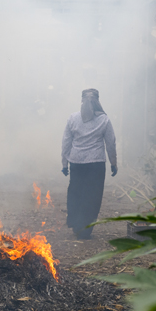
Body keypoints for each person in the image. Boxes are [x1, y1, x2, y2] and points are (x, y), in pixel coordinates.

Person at [61, 88, 117, 239]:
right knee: (92, 196)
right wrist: (113, 162)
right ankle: (85, 230)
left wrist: (64, 163)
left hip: (76, 162)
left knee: (76, 192)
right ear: (98, 101)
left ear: (81, 100)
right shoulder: (104, 120)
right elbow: (110, 143)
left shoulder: (73, 118)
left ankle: (75, 223)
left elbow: (66, 142)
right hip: (96, 164)